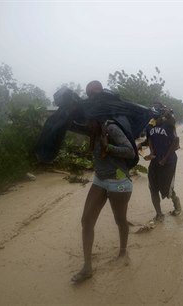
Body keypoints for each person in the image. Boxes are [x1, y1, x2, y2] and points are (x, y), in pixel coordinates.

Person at [71, 80, 135, 283]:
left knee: (120, 221)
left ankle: (123, 250)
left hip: (119, 182)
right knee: (86, 221)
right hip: (99, 180)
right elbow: (77, 125)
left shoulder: (111, 127)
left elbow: (130, 151)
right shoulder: (93, 129)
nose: (86, 122)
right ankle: (87, 267)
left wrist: (110, 149)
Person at [142, 104, 181, 222]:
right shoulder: (150, 125)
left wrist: (165, 159)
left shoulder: (169, 123)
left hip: (168, 162)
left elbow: (176, 142)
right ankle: (159, 214)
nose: (154, 118)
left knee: (167, 190)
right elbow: (149, 139)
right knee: (153, 188)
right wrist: (150, 152)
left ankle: (176, 203)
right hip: (155, 161)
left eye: (157, 115)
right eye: (153, 116)